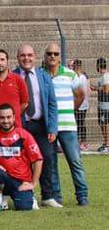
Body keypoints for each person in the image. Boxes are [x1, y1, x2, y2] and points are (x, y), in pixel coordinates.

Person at [13, 44, 59, 208]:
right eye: (23, 55)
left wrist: (53, 128)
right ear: (17, 57)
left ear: (35, 57)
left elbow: (52, 104)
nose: (26, 58)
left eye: (30, 55)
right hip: (21, 126)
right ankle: (28, 196)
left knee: (46, 158)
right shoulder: (12, 76)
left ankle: (48, 196)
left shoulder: (43, 76)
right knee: (24, 162)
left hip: (41, 126)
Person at [43, 43, 88, 206]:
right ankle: (56, 197)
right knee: (52, 163)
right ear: (45, 56)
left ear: (60, 56)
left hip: (68, 126)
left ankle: (82, 196)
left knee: (75, 161)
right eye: (49, 53)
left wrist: (69, 109)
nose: (52, 56)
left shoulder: (70, 74)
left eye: (55, 53)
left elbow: (81, 94)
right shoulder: (41, 75)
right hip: (49, 127)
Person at [0, 104, 42, 211]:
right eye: (2, 118)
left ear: (14, 117)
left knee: (24, 207)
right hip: (2, 177)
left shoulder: (24, 135)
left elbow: (38, 159)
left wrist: (33, 183)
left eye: (8, 117)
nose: (5, 121)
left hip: (21, 181)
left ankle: (29, 196)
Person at [72, 59, 90, 151]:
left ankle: (83, 142)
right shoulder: (82, 76)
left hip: (80, 103)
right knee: (79, 123)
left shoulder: (80, 77)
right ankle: (81, 141)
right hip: (82, 103)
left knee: (80, 123)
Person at [95, 58, 109, 153]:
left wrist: (96, 88)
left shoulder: (106, 76)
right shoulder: (102, 76)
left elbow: (106, 90)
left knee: (105, 124)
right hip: (101, 104)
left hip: (105, 105)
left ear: (99, 66)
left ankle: (107, 144)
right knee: (101, 123)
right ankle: (106, 142)